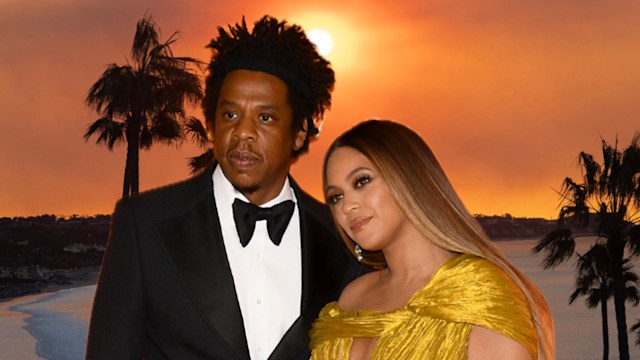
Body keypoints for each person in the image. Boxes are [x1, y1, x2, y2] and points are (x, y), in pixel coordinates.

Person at [86, 15, 362, 360]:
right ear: (212, 124)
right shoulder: (144, 224)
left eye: (265, 117)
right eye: (230, 115)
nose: (243, 132)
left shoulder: (342, 242)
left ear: (299, 133)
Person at [309, 119, 555, 359]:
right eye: (336, 197)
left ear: (407, 178)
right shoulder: (352, 297)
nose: (347, 206)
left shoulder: (478, 291)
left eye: (362, 181)